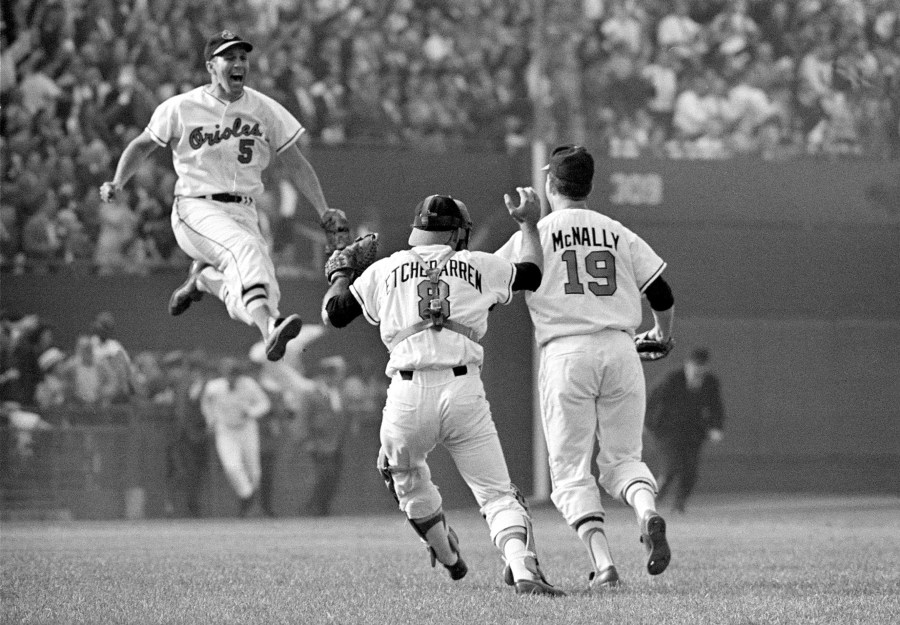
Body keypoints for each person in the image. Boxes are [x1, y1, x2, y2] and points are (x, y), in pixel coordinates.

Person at [321, 193, 564, 596]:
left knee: (405, 477)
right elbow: (533, 274)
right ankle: (522, 568)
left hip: (406, 391)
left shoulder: (386, 268)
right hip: (462, 387)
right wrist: (528, 224)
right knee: (496, 494)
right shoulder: (476, 263)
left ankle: (448, 556)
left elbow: (333, 315)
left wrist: (341, 275)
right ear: (458, 233)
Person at [99, 30, 351, 362]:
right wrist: (118, 182)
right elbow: (142, 145)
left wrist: (323, 209)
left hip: (244, 210)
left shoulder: (264, 108)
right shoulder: (182, 106)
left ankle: (206, 281)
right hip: (195, 206)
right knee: (243, 251)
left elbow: (296, 164)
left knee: (264, 290)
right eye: (229, 57)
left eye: (242, 57)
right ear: (210, 66)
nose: (238, 63)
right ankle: (268, 328)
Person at [495, 145, 676, 590]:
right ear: (589, 185)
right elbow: (662, 292)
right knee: (623, 461)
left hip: (566, 353)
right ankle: (647, 512)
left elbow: (492, 278)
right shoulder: (615, 230)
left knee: (571, 471)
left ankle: (605, 564)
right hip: (620, 348)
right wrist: (662, 334)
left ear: (550, 184)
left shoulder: (535, 232)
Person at [645, 347, 725, 513]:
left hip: (693, 432)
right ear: (688, 365)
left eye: (701, 366)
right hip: (667, 431)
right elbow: (653, 401)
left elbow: (716, 407)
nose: (698, 370)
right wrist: (646, 423)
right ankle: (651, 501)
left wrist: (716, 427)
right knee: (672, 466)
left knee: (690, 471)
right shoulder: (672, 378)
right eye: (695, 366)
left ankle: (679, 504)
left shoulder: (710, 382)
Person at [200, 356, 271, 517]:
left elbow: (264, 403)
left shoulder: (249, 385)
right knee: (232, 467)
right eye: (230, 374)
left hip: (247, 428)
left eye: (235, 374)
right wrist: (211, 421)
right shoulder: (214, 387)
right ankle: (247, 496)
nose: (233, 378)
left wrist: (251, 412)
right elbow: (206, 405)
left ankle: (250, 504)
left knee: (254, 470)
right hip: (225, 430)